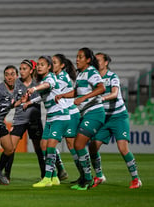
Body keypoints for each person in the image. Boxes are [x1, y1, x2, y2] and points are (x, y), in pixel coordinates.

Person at [89, 52, 142, 189]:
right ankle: (99, 176)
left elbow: (114, 93)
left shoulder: (112, 76)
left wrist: (103, 98)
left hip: (118, 116)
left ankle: (136, 179)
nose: (96, 62)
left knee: (123, 148)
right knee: (92, 147)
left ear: (106, 62)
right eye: (94, 60)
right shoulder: (94, 79)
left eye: (99, 60)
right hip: (103, 118)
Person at [55, 47, 106, 190]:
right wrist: (63, 95)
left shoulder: (92, 72)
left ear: (88, 60)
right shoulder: (81, 74)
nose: (77, 59)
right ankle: (85, 178)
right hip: (86, 114)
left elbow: (101, 88)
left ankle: (88, 179)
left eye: (81, 57)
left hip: (95, 113)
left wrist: (83, 98)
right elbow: (76, 92)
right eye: (77, 57)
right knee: (79, 145)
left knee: (78, 144)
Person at [26, 56, 70, 187]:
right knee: (43, 146)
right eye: (38, 64)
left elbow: (48, 85)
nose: (39, 66)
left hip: (60, 116)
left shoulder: (50, 78)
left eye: (42, 64)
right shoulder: (45, 79)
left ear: (49, 67)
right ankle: (55, 177)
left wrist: (34, 88)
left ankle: (47, 178)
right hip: (51, 116)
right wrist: (29, 102)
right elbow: (43, 96)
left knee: (50, 147)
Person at [5, 60, 45, 181]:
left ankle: (45, 175)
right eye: (20, 69)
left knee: (39, 149)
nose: (22, 71)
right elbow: (10, 104)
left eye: (24, 69)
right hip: (19, 120)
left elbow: (45, 97)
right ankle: (6, 175)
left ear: (31, 70)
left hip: (34, 120)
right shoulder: (16, 84)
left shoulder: (38, 84)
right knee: (10, 148)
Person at [52, 54, 80, 181]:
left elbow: (51, 87)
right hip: (61, 113)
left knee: (72, 145)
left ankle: (84, 173)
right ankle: (61, 169)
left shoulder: (62, 77)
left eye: (54, 62)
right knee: (49, 142)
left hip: (70, 113)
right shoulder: (56, 76)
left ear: (62, 65)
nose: (51, 65)